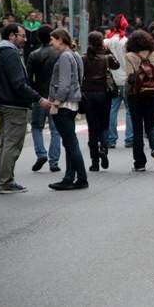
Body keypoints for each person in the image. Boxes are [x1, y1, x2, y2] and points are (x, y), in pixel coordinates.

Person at [0, 23, 51, 194]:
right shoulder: (10, 53)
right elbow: (18, 83)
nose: (25, 39)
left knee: (5, 143)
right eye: (21, 35)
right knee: (12, 144)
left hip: (0, 102)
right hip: (13, 104)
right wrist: (38, 99)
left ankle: (6, 179)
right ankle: (6, 182)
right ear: (11, 36)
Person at [47, 29, 88, 191]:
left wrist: (56, 102)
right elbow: (79, 78)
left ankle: (81, 177)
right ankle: (70, 177)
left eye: (53, 40)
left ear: (60, 40)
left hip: (63, 105)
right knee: (71, 142)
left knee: (70, 143)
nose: (51, 43)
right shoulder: (75, 54)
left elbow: (64, 84)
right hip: (73, 104)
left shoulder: (64, 57)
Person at [125, 30, 154, 172]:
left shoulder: (130, 56)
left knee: (137, 128)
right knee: (151, 126)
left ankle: (140, 162)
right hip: (151, 94)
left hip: (134, 94)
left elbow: (130, 77)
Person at [81, 31, 120, 171]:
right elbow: (117, 65)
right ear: (101, 42)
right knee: (104, 124)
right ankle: (104, 147)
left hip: (88, 93)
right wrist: (108, 51)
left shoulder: (84, 58)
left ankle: (94, 162)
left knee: (92, 128)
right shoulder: (107, 57)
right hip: (104, 93)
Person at [26, 24, 62, 173]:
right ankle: (54, 162)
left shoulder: (33, 55)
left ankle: (41, 153)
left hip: (39, 96)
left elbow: (28, 78)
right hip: (55, 96)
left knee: (36, 126)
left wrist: (34, 94)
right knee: (55, 129)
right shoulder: (60, 53)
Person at [105, 14, 133, 149]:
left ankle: (111, 139)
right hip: (126, 79)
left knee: (112, 110)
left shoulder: (106, 42)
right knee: (129, 110)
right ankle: (129, 138)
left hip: (111, 81)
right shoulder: (126, 42)